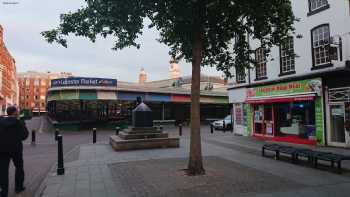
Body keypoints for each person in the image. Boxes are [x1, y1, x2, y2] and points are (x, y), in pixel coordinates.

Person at [0, 106, 29, 197]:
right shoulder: (19, 122)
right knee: (19, 168)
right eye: (17, 111)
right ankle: (18, 187)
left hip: (2, 149)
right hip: (16, 149)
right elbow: (25, 136)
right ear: (14, 113)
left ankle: (3, 192)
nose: (18, 112)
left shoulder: (1, 122)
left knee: (3, 171)